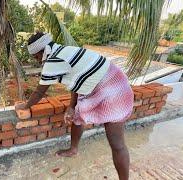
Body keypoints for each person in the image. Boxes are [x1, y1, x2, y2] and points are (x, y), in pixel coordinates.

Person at [15, 32, 134, 180]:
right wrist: (72, 106)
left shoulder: (53, 60)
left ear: (41, 52)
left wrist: (24, 106)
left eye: (36, 57)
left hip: (115, 89)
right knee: (76, 115)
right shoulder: (63, 50)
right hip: (99, 85)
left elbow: (39, 92)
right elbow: (76, 80)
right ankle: (73, 149)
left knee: (116, 143)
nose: (37, 61)